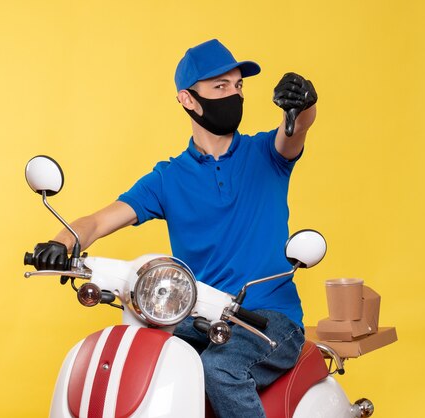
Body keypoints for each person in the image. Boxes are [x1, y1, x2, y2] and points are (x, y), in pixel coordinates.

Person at [33, 38, 317, 418]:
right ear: (188, 100)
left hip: (268, 317)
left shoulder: (266, 154)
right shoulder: (169, 178)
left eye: (238, 86)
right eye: (220, 87)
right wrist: (59, 242)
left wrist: (302, 107)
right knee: (136, 353)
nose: (233, 94)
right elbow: (98, 220)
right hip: (198, 314)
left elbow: (294, 132)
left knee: (222, 370)